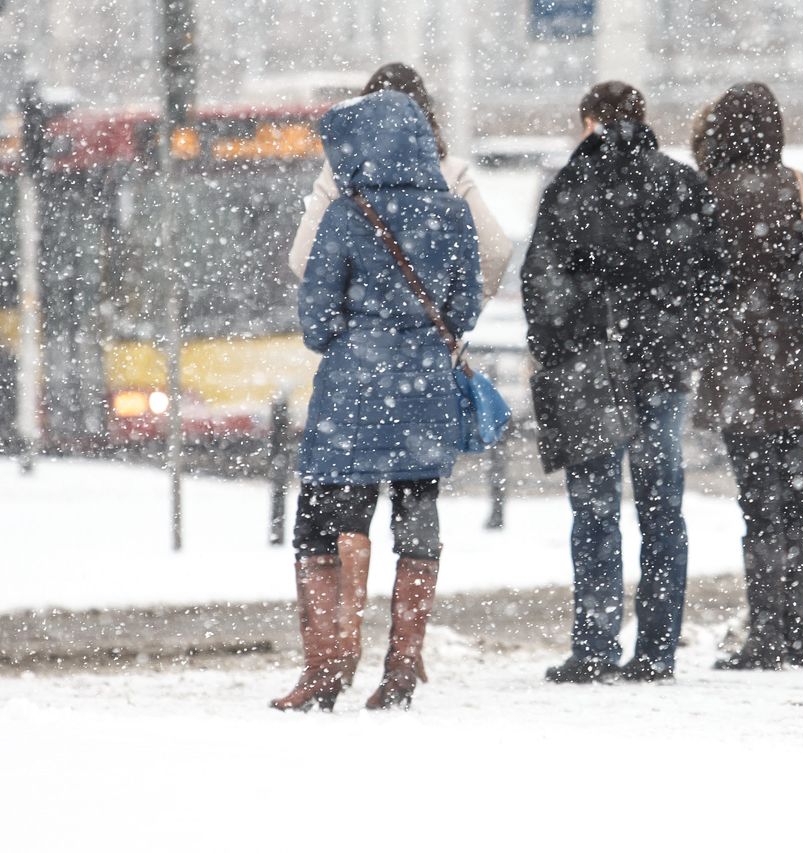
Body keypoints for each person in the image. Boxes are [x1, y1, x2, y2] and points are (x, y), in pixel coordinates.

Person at [271, 89, 483, 711]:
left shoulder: (345, 214)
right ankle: (402, 664)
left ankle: (328, 666)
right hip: (425, 392)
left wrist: (359, 339)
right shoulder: (452, 214)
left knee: (325, 523)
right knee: (417, 518)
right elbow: (465, 308)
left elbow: (315, 320)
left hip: (352, 395)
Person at [521, 81, 724, 683]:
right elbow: (714, 276)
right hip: (660, 368)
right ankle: (657, 651)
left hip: (590, 369)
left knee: (595, 509)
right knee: (663, 511)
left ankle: (595, 645)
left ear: (588, 121)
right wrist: (686, 341)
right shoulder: (681, 183)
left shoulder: (569, 186)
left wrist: (558, 347)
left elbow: (542, 283)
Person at [693, 83, 803, 670]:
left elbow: (691, 283)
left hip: (736, 370)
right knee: (798, 498)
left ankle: (766, 633)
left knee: (758, 505)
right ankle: (797, 628)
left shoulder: (706, 196)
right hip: (799, 368)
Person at [288, 63, 512, 299]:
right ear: (425, 118)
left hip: (361, 332)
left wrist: (352, 308)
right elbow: (497, 252)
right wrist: (455, 311)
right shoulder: (451, 173)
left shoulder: (338, 174)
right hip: (431, 329)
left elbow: (303, 259)